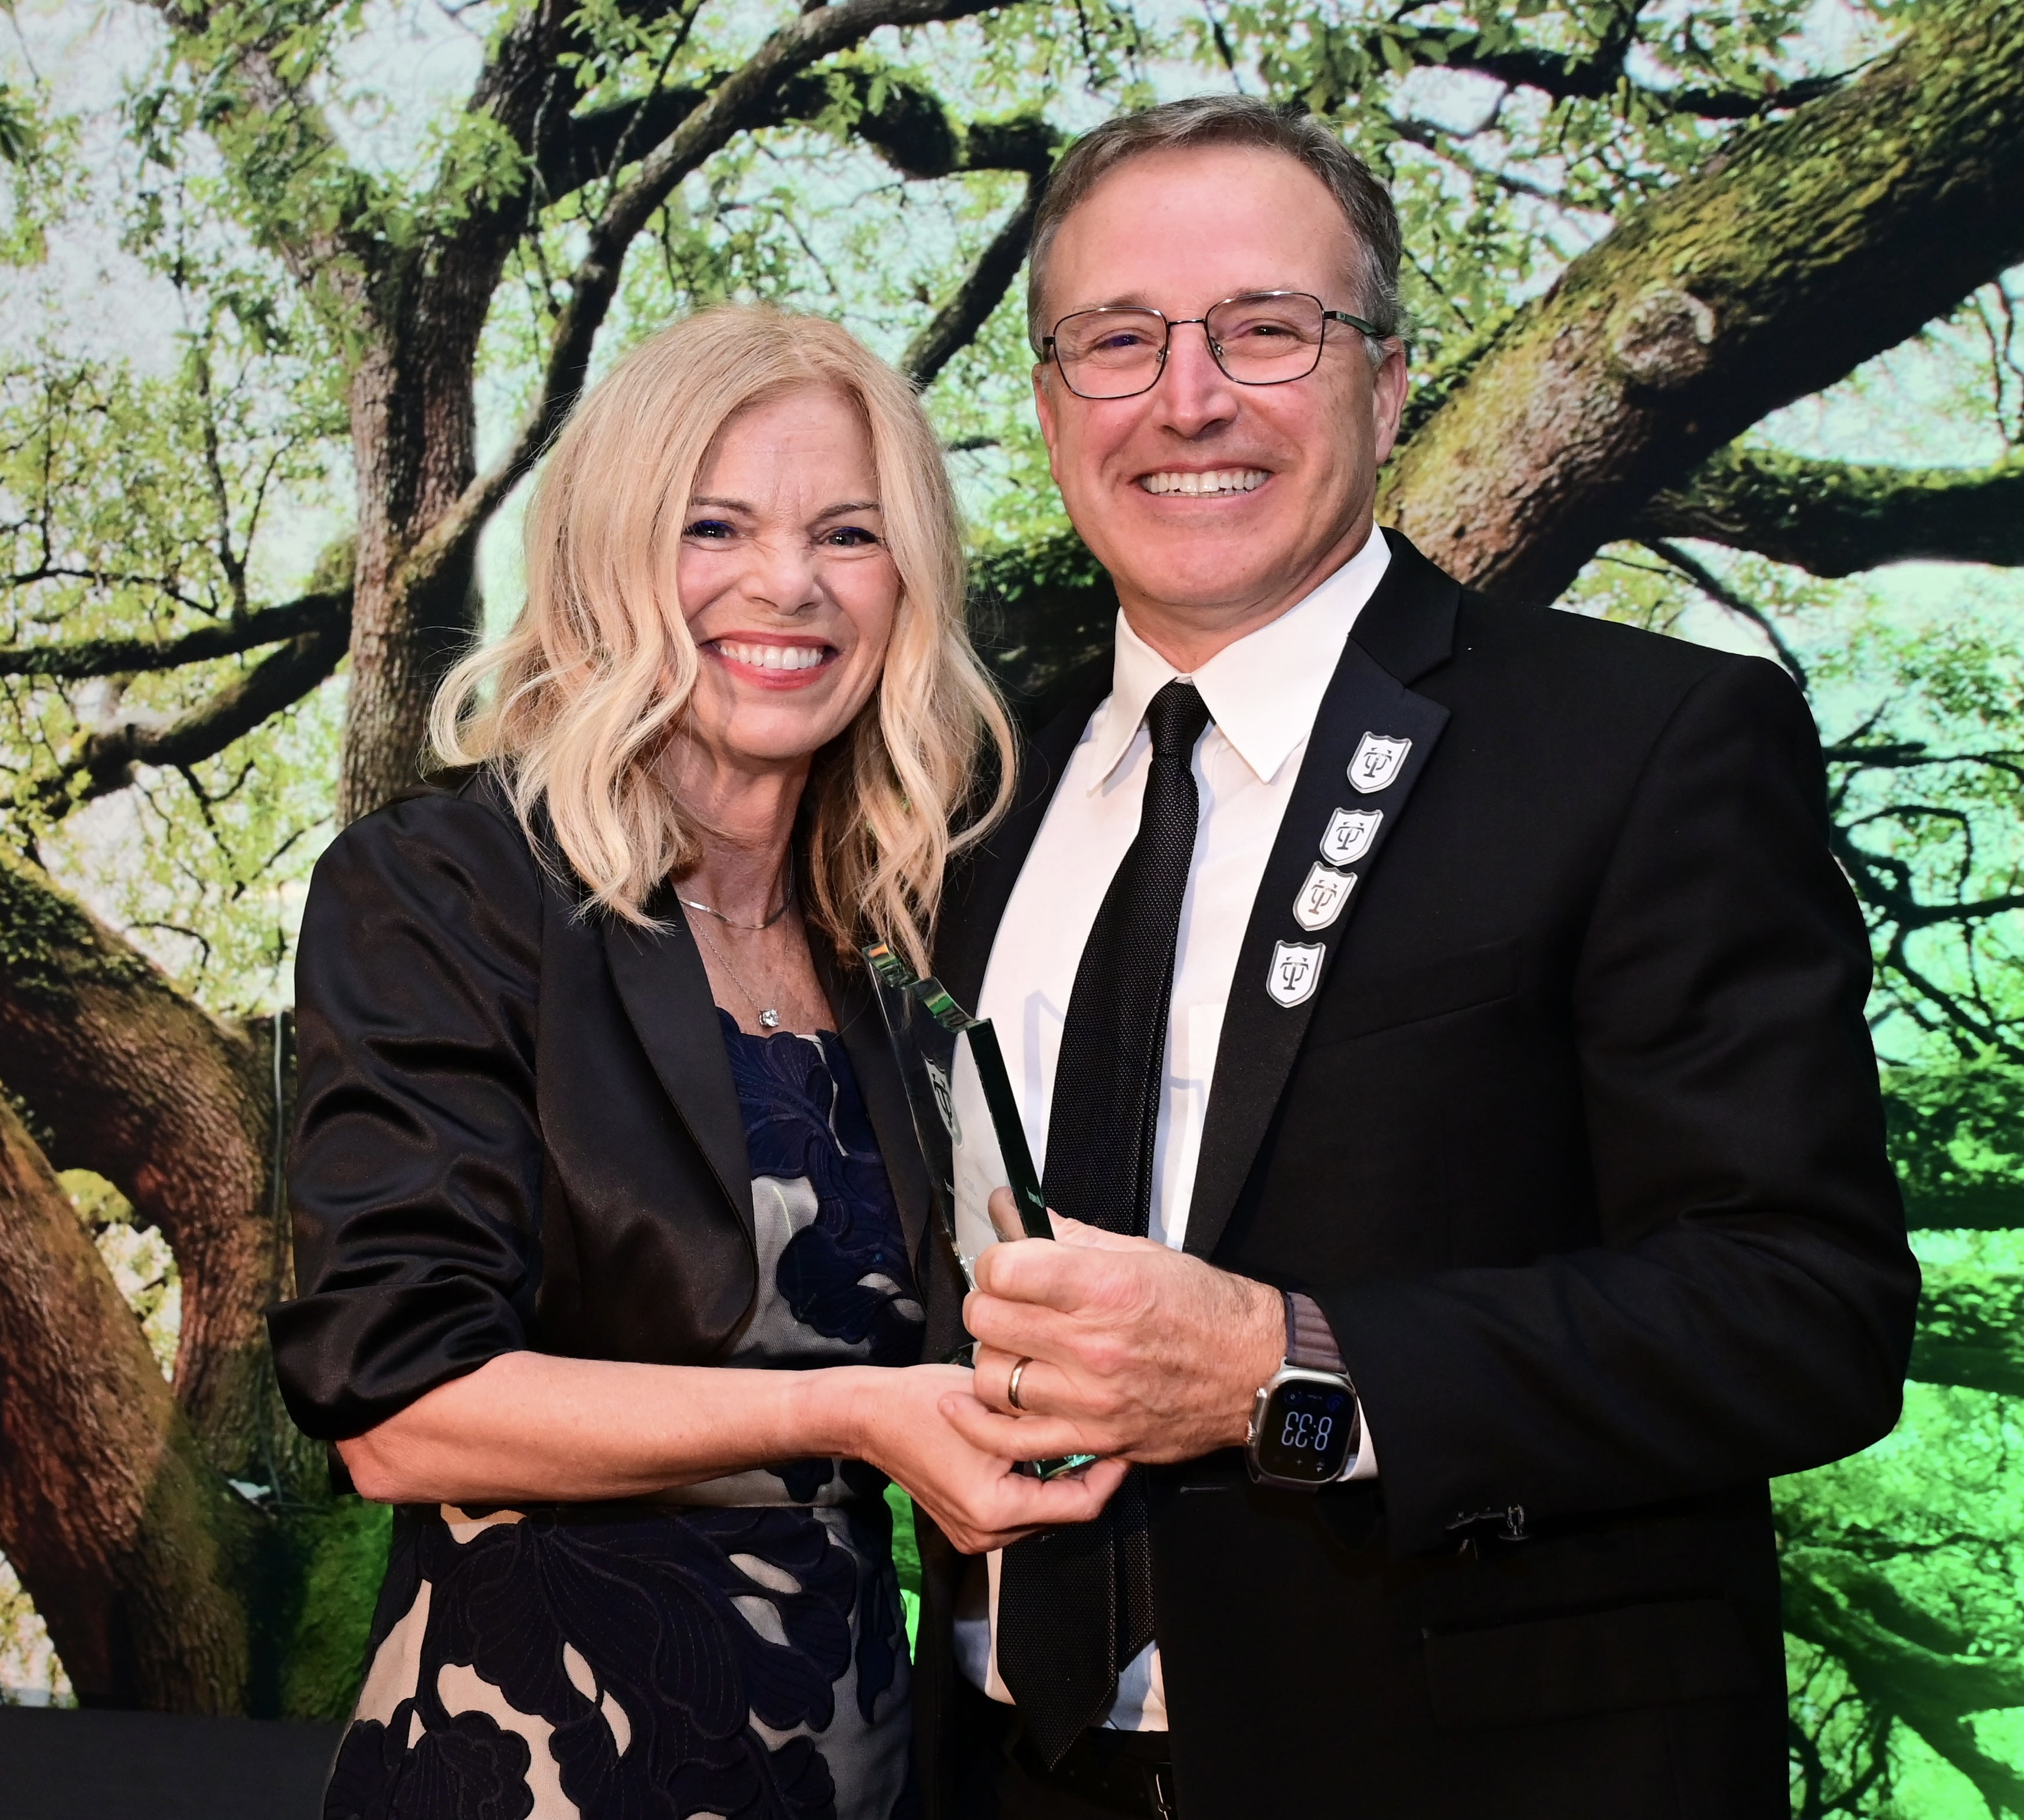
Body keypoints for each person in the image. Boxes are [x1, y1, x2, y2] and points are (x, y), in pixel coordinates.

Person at [909, 97, 1920, 1819]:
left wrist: (1287, 1366)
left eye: (1264, 329)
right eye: (1116, 339)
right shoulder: (965, 803)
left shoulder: (1641, 741)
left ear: (1384, 383)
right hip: (1001, 1770)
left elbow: (1802, 1308)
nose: (1186, 396)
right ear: (1045, 403)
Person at [266, 305, 1125, 1820]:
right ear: (607, 550)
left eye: (847, 534)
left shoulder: (908, 941)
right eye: (711, 524)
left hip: (863, 1766)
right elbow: (399, 1410)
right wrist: (845, 1415)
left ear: (905, 585)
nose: (784, 585)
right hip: (531, 1766)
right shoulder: (447, 887)